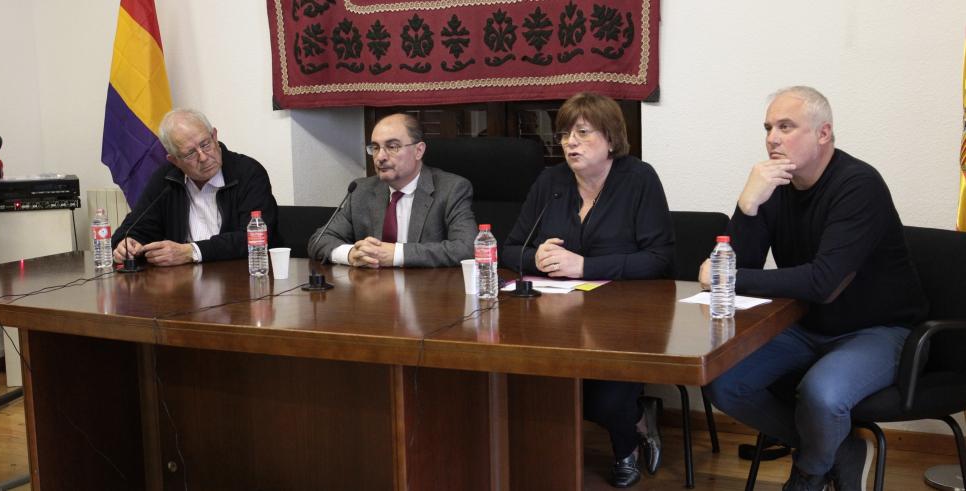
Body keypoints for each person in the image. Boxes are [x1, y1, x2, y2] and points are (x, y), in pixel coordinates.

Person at [701, 86, 927, 491]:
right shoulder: (774, 183)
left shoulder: (859, 185)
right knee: (724, 382)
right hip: (805, 325)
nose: (772, 138)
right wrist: (748, 205)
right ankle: (838, 451)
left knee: (821, 395)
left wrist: (726, 276)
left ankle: (808, 473)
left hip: (879, 330)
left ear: (823, 134)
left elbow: (822, 282)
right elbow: (741, 266)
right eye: (769, 127)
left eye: (786, 126)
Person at [501, 92, 674, 488]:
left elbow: (659, 259)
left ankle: (630, 436)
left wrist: (585, 266)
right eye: (564, 135)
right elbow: (511, 248)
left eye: (582, 133)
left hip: (626, 317)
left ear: (611, 139)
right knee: (534, 383)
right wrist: (536, 257)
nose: (569, 143)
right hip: (556, 318)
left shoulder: (638, 179)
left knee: (603, 400)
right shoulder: (551, 181)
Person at [112, 108, 280, 266]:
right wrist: (126, 244)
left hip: (240, 280)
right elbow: (134, 227)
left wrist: (191, 251)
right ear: (174, 161)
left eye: (205, 144)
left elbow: (253, 238)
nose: (203, 157)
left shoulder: (248, 173)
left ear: (214, 136)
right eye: (190, 153)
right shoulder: (165, 180)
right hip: (183, 285)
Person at [307, 113, 476, 268]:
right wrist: (351, 254)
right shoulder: (361, 191)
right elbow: (319, 240)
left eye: (392, 146)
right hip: (371, 293)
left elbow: (467, 248)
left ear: (418, 151)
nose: (380, 157)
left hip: (428, 294)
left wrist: (395, 254)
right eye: (375, 148)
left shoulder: (451, 189)